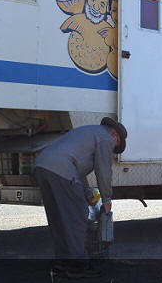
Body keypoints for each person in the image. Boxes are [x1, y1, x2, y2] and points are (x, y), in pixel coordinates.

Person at [34, 117, 127, 278]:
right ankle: (77, 266)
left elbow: (77, 169)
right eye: (115, 147)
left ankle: (62, 262)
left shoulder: (89, 132)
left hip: (42, 166)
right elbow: (103, 171)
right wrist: (106, 200)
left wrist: (86, 193)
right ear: (115, 136)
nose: (111, 150)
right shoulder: (105, 139)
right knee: (76, 218)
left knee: (58, 219)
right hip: (62, 170)